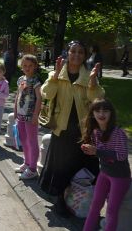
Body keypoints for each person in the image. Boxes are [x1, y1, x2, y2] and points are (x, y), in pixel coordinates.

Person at [38, 40, 105, 217]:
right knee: (61, 166)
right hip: (62, 128)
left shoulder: (88, 75)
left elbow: (98, 100)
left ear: (84, 56)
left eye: (80, 52)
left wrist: (92, 84)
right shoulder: (57, 74)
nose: (76, 55)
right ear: (67, 53)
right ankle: (60, 199)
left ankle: (83, 199)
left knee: (85, 165)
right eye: (73, 51)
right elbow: (46, 93)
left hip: (83, 130)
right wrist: (54, 77)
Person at [81, 98, 131, 231]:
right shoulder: (96, 132)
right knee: (94, 206)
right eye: (97, 110)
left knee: (111, 211)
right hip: (104, 173)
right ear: (93, 114)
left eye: (105, 111)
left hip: (120, 177)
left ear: (111, 114)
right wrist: (90, 150)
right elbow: (101, 153)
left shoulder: (118, 133)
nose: (101, 114)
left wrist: (97, 151)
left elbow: (121, 155)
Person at [13, 55, 42, 179]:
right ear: (21, 66)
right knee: (23, 140)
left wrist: (36, 115)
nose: (27, 68)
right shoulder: (20, 79)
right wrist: (15, 110)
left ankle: (32, 168)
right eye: (24, 65)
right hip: (21, 114)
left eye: (30, 66)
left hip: (30, 116)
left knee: (32, 141)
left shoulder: (36, 81)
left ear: (35, 66)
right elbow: (18, 95)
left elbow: (39, 98)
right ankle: (27, 162)